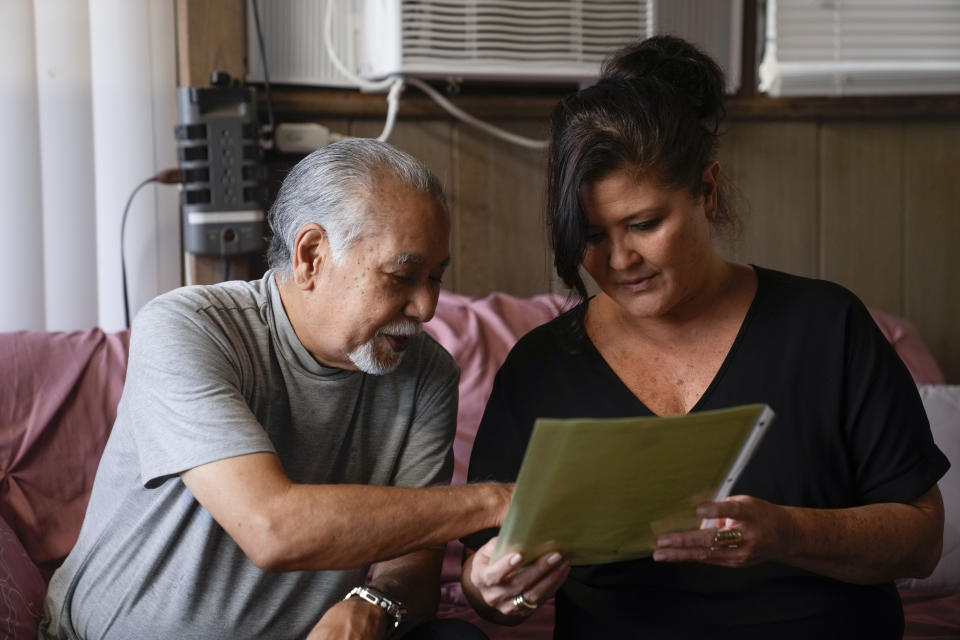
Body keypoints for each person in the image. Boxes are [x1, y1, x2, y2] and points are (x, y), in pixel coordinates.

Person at [460, 35, 949, 639]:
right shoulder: (541, 366)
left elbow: (922, 540)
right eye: (591, 236)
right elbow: (480, 582)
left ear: (708, 191)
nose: (619, 259)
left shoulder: (825, 326)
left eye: (645, 224)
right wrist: (493, 583)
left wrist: (787, 533)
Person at [41, 139, 507, 640]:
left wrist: (376, 602)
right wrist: (495, 502)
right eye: (402, 276)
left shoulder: (427, 375)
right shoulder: (186, 328)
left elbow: (415, 565)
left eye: (435, 278)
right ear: (311, 255)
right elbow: (270, 528)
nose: (427, 308)